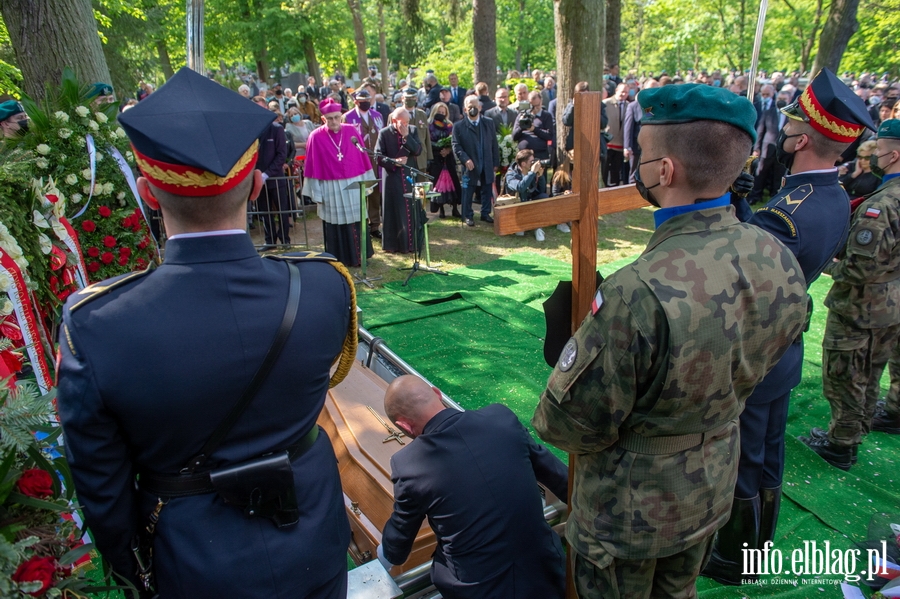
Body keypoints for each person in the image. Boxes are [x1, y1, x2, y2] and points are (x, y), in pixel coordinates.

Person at [56, 67, 355, 598]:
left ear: (148, 195)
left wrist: (132, 572)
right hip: (313, 534)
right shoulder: (325, 286)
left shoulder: (97, 326)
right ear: (258, 185)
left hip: (194, 558)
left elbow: (102, 490)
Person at [532, 83, 808, 599]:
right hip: (712, 486)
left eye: (641, 155)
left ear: (664, 171)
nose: (636, 164)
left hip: (629, 511)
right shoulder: (774, 254)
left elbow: (565, 424)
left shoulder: (637, 292)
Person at [703, 66, 876, 586]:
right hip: (786, 347)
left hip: (760, 348)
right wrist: (747, 206)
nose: (786, 130)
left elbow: (749, 269)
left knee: (746, 458)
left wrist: (732, 205)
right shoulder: (831, 196)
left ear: (801, 137)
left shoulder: (795, 209)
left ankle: (734, 558)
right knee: (769, 452)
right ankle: (758, 546)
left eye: (793, 123)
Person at [378, 376, 567, 599]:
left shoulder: (408, 465)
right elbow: (562, 480)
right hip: (547, 572)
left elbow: (397, 547)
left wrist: (383, 556)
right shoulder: (501, 418)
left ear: (404, 426)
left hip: (480, 591)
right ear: (437, 393)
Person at [799, 117, 900, 469]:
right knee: (871, 371)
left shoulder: (882, 206)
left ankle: (841, 443)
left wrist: (827, 262)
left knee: (846, 374)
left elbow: (860, 267)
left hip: (861, 305)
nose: (875, 157)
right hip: (890, 301)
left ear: (895, 156)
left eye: (881, 152)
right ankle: (856, 431)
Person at [304, 98, 376, 267]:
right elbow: (312, 166)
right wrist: (317, 191)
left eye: (336, 117)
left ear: (341, 116)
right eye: (329, 119)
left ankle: (361, 256)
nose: (334, 121)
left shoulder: (351, 131)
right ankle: (339, 257)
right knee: (335, 222)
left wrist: (366, 183)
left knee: (357, 220)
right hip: (331, 185)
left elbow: (362, 157)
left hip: (353, 182)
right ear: (323, 119)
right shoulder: (315, 136)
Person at [376, 108, 423, 254]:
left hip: (409, 175)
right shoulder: (384, 133)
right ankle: (393, 244)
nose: (407, 125)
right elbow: (377, 156)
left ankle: (413, 244)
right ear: (395, 121)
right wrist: (394, 161)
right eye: (404, 123)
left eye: (408, 122)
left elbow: (418, 150)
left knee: (412, 209)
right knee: (394, 210)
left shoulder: (412, 130)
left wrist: (407, 137)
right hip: (392, 178)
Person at [452, 95, 500, 227]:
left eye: (475, 106)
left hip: (486, 161)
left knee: (486, 188)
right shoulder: (459, 126)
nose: (473, 109)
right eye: (470, 107)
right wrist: (465, 159)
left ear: (480, 107)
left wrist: (496, 162)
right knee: (468, 191)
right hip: (470, 164)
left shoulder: (488, 123)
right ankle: (468, 215)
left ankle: (485, 213)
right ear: (465, 109)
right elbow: (456, 146)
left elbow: (494, 144)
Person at [343, 89, 384, 238]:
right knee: (360, 192)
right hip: (357, 160)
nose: (365, 102)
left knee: (375, 192)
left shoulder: (378, 116)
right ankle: (361, 223)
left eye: (368, 99)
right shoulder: (347, 118)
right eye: (362, 100)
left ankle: (374, 225)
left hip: (375, 159)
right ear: (355, 101)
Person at [252, 96, 291, 247]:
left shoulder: (277, 128)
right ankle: (270, 241)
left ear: (267, 109)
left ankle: (285, 240)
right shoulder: (250, 130)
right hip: (257, 180)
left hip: (275, 177)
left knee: (282, 210)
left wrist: (266, 174)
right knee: (264, 212)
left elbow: (282, 154)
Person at [427, 102, 461, 218]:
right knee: (438, 184)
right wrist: (439, 147)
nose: (441, 114)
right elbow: (428, 142)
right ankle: (441, 209)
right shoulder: (429, 125)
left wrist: (447, 149)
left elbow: (454, 140)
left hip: (449, 158)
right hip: (436, 158)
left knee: (454, 182)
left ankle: (455, 208)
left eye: (443, 112)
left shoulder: (450, 125)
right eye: (439, 112)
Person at [505, 149, 547, 241]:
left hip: (528, 203)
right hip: (516, 207)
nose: (534, 163)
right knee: (520, 233)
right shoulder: (511, 175)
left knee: (544, 197)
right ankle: (521, 224)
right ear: (523, 164)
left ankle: (537, 227)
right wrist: (532, 173)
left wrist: (540, 176)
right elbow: (520, 187)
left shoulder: (531, 172)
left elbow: (541, 191)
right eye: (531, 162)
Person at [403, 89, 432, 181]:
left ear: (416, 98)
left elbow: (426, 137)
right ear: (402, 98)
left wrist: (429, 157)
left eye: (413, 98)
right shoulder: (396, 114)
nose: (410, 100)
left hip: (421, 158)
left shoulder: (422, 114)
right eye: (407, 98)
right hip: (404, 157)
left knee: (421, 188)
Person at [603, 83, 629, 186]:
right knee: (604, 169)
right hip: (607, 143)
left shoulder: (628, 105)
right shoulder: (606, 103)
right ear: (616, 90)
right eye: (622, 91)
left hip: (620, 144)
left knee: (616, 169)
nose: (623, 94)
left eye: (626, 92)